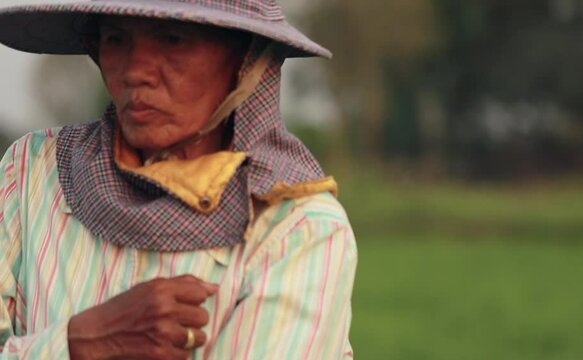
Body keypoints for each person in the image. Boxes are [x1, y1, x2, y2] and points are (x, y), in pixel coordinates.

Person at [0, 1, 357, 359]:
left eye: (173, 39)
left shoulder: (297, 229)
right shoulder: (32, 170)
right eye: (115, 38)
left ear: (245, 56)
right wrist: (83, 340)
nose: (136, 71)